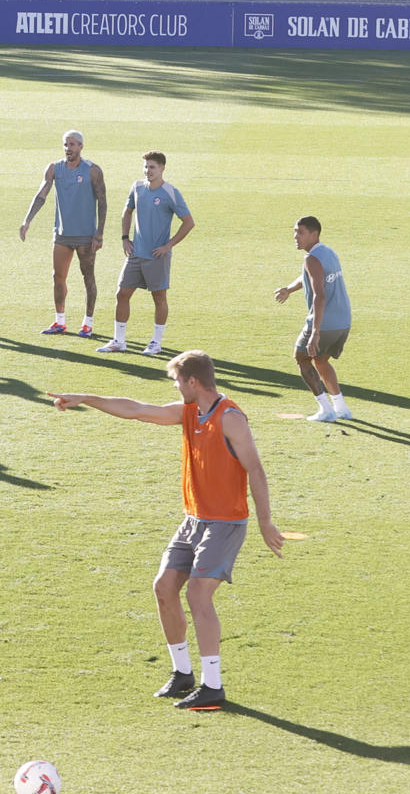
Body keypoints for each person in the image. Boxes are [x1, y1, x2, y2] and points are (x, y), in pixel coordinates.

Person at [51, 350, 283, 711]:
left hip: (225, 523)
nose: (175, 388)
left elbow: (255, 468)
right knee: (163, 587)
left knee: (198, 596)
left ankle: (213, 687)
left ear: (193, 381)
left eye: (177, 381)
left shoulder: (231, 418)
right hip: (193, 520)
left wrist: (266, 521)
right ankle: (183, 674)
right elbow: (138, 409)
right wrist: (87, 399)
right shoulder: (189, 412)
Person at [99, 152, 194, 357]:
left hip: (157, 257)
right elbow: (127, 211)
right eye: (145, 167)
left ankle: (155, 343)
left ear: (162, 168)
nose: (148, 171)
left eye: (152, 167)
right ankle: (119, 341)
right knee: (122, 294)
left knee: (159, 298)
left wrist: (168, 246)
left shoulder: (171, 192)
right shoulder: (137, 187)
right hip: (136, 254)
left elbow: (188, 222)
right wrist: (125, 238)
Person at [18, 129, 108, 336]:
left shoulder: (92, 170)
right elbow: (41, 195)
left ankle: (88, 323)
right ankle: (60, 321)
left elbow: (102, 202)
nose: (68, 148)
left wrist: (99, 234)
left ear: (81, 147)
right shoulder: (54, 168)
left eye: (73, 144)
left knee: (88, 278)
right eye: (66, 145)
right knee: (58, 277)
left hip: (86, 236)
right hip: (62, 235)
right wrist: (27, 220)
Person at [273, 216, 352, 423]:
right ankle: (341, 408)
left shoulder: (311, 259)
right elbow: (310, 276)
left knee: (302, 358)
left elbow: (320, 295)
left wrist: (315, 332)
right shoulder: (328, 253)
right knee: (320, 360)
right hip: (343, 322)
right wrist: (289, 289)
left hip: (324, 323)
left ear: (314, 234)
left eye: (300, 232)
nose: (295, 236)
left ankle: (325, 410)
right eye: (295, 231)